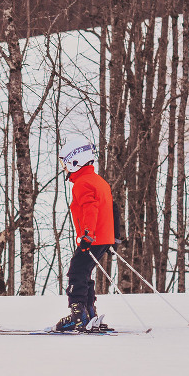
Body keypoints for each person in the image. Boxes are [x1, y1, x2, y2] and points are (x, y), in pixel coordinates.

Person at [55, 135, 121, 332]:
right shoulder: (99, 181)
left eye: (65, 164)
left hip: (93, 238)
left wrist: (87, 235)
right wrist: (115, 237)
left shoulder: (82, 183)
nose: (64, 168)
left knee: (76, 272)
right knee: (84, 273)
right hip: (103, 238)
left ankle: (78, 316)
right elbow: (114, 208)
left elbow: (90, 209)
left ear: (75, 161)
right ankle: (89, 312)